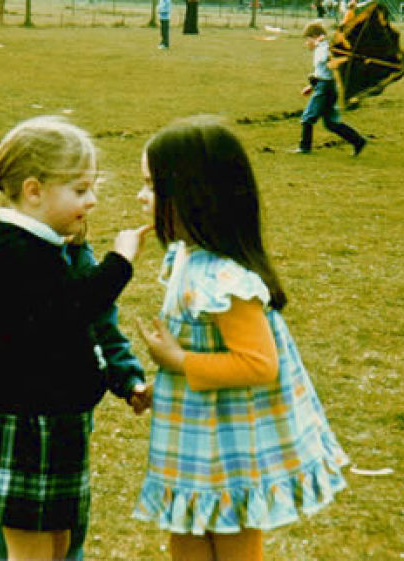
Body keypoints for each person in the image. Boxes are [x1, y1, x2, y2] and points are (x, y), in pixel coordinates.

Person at [133, 116, 350, 561]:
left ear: (193, 196)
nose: (142, 196)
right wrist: (165, 389)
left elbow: (257, 364)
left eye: (153, 186)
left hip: (230, 449)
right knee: (186, 528)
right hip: (195, 439)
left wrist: (177, 362)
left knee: (233, 538)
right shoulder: (187, 260)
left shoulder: (226, 281)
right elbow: (211, 351)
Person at [0, 115, 151, 561]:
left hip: (58, 421)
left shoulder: (49, 245)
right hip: (28, 427)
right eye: (81, 190)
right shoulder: (11, 246)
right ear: (34, 190)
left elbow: (92, 320)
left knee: (61, 545)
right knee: (29, 552)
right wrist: (120, 263)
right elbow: (69, 310)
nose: (93, 200)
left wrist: (124, 378)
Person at [292, 22, 366, 156]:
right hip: (325, 85)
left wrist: (319, 44)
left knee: (308, 117)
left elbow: (324, 61)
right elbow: (322, 71)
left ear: (314, 36)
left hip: (325, 88)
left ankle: (304, 147)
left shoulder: (324, 48)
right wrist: (311, 86)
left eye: (308, 39)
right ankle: (358, 141)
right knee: (331, 123)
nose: (306, 43)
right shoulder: (322, 47)